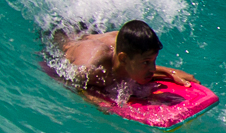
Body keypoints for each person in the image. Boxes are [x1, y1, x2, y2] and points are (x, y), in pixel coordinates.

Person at [55, 19, 198, 97]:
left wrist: (169, 72)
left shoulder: (127, 56)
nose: (152, 68)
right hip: (61, 35)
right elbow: (61, 75)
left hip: (91, 33)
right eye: (146, 63)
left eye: (153, 61)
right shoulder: (92, 67)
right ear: (123, 59)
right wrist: (88, 95)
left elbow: (135, 66)